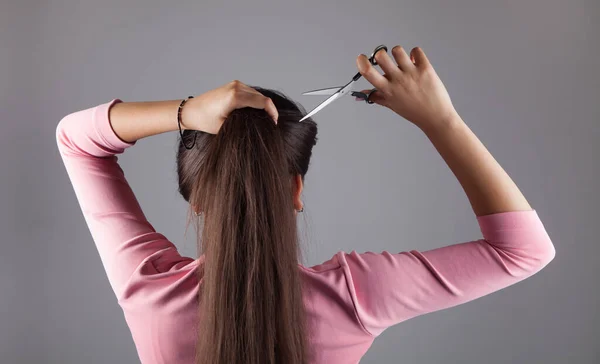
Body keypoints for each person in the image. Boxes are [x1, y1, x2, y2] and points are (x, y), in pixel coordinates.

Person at [55, 45, 555, 364]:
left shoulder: (148, 289)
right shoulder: (356, 297)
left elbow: (77, 140)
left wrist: (185, 111)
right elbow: (523, 252)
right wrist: (440, 119)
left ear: (197, 196)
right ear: (295, 190)